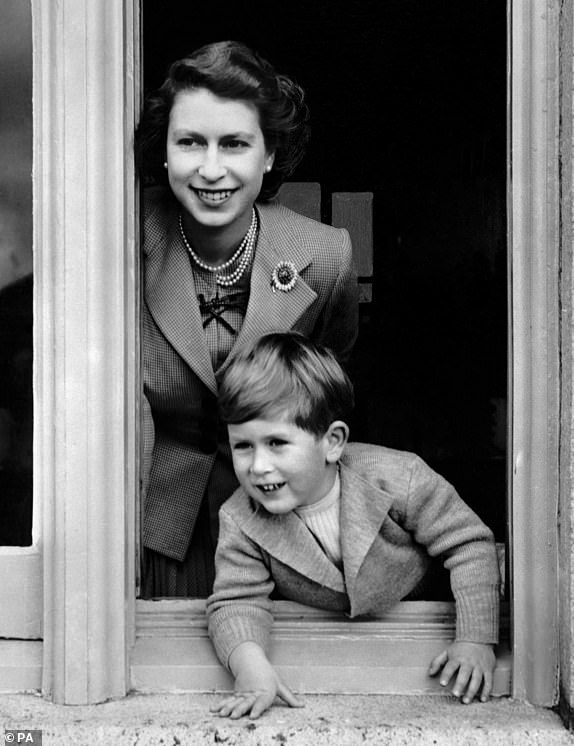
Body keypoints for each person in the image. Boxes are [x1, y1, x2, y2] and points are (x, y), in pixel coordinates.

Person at [134, 41, 359, 598]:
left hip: (282, 522)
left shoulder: (326, 256)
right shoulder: (124, 239)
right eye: (190, 143)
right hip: (151, 526)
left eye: (234, 144)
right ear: (164, 152)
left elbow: (329, 390)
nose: (212, 169)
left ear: (268, 155)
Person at [206, 331, 501, 719]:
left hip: (422, 632)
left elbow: (470, 545)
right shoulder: (240, 517)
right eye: (243, 446)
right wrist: (250, 667)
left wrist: (476, 639)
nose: (258, 466)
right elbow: (235, 600)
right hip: (334, 651)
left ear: (333, 441)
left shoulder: (399, 477)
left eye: (276, 443)